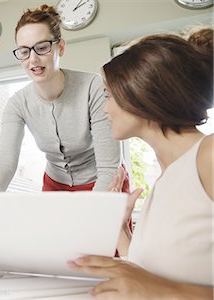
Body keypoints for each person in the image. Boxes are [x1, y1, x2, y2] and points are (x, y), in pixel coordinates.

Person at [68, 27, 213, 299]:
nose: (105, 109)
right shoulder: (165, 179)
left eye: (108, 95)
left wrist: (156, 288)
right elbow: (150, 273)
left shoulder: (209, 155)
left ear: (140, 91)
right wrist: (120, 230)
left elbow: (154, 286)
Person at [0, 4, 121, 192]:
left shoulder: (92, 87)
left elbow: (108, 168)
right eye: (24, 51)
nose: (33, 59)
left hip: (102, 182)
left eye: (41, 48)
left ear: (60, 47)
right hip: (55, 185)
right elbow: (4, 162)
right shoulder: (18, 103)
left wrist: (93, 210)